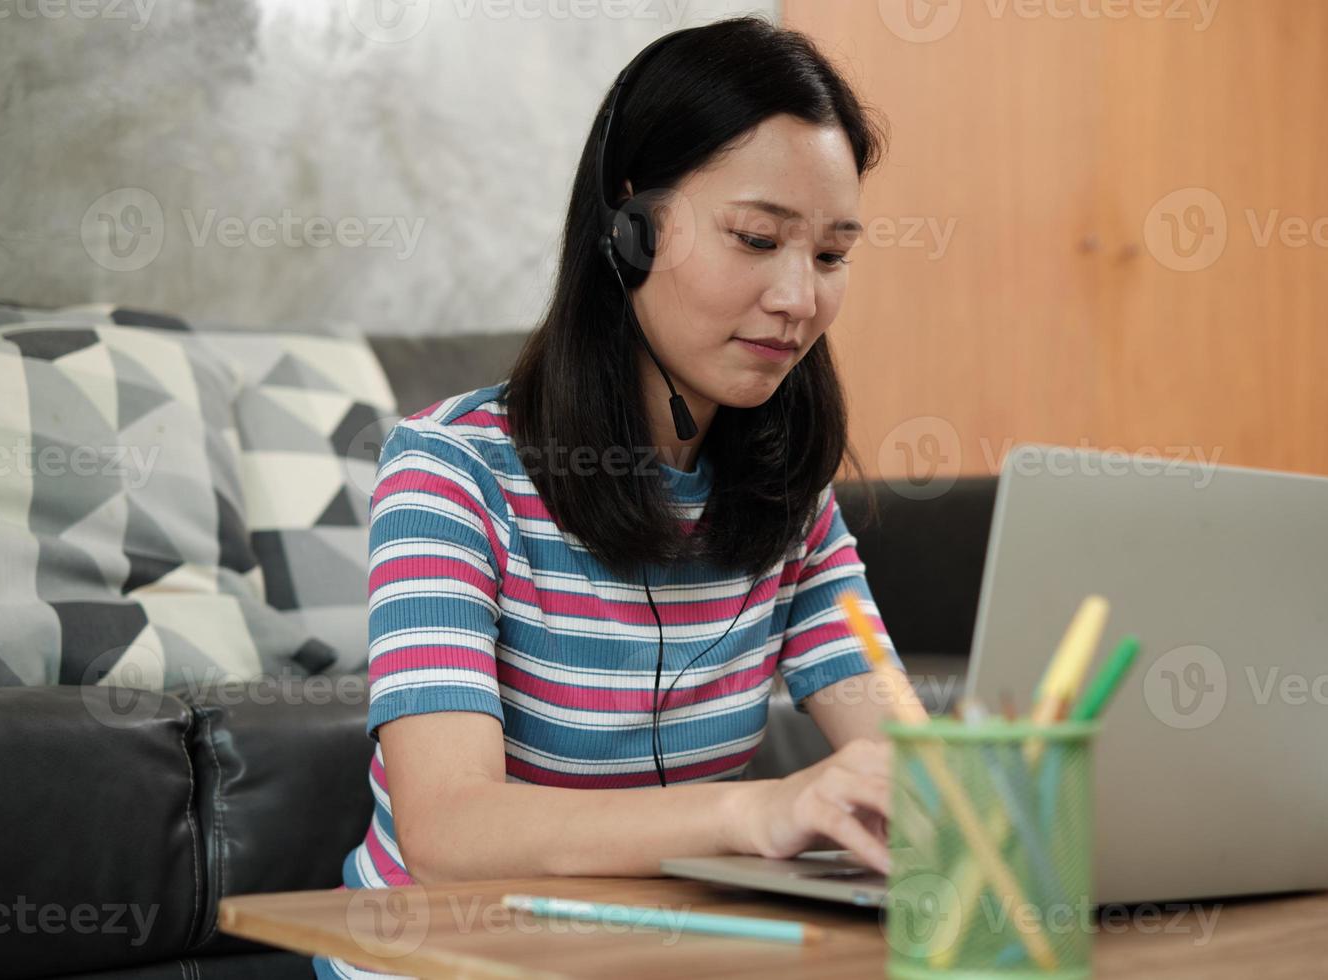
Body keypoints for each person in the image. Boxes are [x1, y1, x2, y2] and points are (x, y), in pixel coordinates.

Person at [315, 16, 918, 978]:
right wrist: (756, 810)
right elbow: (450, 830)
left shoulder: (786, 499)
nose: (799, 298)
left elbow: (905, 756)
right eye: (758, 238)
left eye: (832, 255)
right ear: (630, 229)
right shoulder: (449, 470)